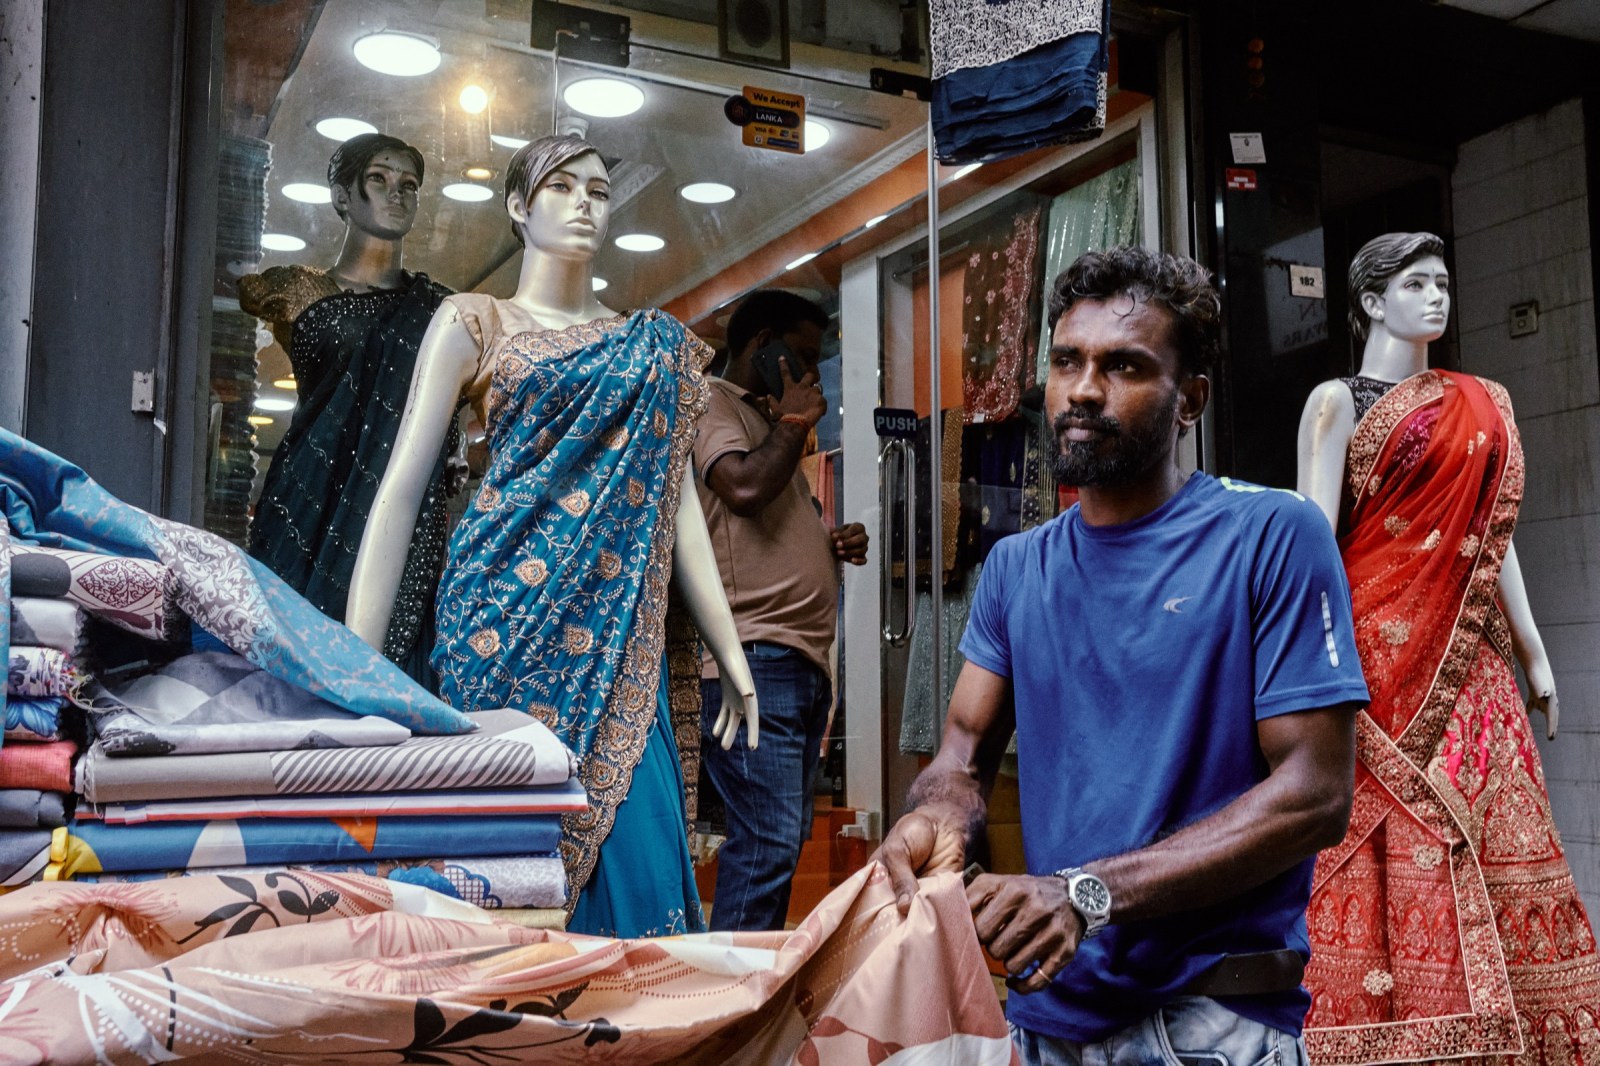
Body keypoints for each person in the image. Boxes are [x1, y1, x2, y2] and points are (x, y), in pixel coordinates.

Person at [876, 245, 1370, 1066]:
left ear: (1191, 400)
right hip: (1049, 1013)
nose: (1083, 389)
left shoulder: (1271, 535)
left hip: (1209, 1021)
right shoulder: (1015, 567)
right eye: (1067, 361)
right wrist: (935, 817)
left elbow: (1316, 795)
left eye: (1124, 366)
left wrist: (1086, 893)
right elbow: (961, 755)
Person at [346, 134, 759, 939]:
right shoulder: (475, 320)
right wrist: (356, 670)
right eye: (561, 186)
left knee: (636, 838)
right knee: (501, 863)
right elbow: (399, 492)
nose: (583, 203)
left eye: (599, 190)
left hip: (617, 638)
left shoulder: (652, 351)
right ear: (517, 208)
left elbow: (675, 508)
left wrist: (731, 654)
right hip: (496, 624)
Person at [1296, 232, 1600, 1066]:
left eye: (1443, 283)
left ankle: (1512, 1033)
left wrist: (1534, 650)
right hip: (1370, 663)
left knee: (1495, 827)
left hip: (1468, 665)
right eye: (1416, 283)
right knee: (1378, 839)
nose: (1437, 297)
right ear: (1369, 301)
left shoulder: (1480, 401)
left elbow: (1490, 539)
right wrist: (1304, 663)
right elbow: (1313, 542)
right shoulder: (1335, 402)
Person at [239, 132, 456, 690]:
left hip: (399, 504)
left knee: (394, 672)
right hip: (308, 493)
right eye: (379, 180)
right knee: (288, 666)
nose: (398, 194)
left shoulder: (440, 309)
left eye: (409, 184)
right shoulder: (295, 290)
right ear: (342, 197)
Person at [692, 289, 869, 931]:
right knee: (767, 843)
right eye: (799, 356)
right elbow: (740, 487)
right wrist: (794, 423)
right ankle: (728, 1008)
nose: (812, 374)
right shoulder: (712, 403)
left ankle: (740, 1000)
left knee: (780, 841)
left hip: (792, 663)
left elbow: (763, 528)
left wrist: (829, 541)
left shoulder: (766, 419)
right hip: (752, 661)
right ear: (759, 345)